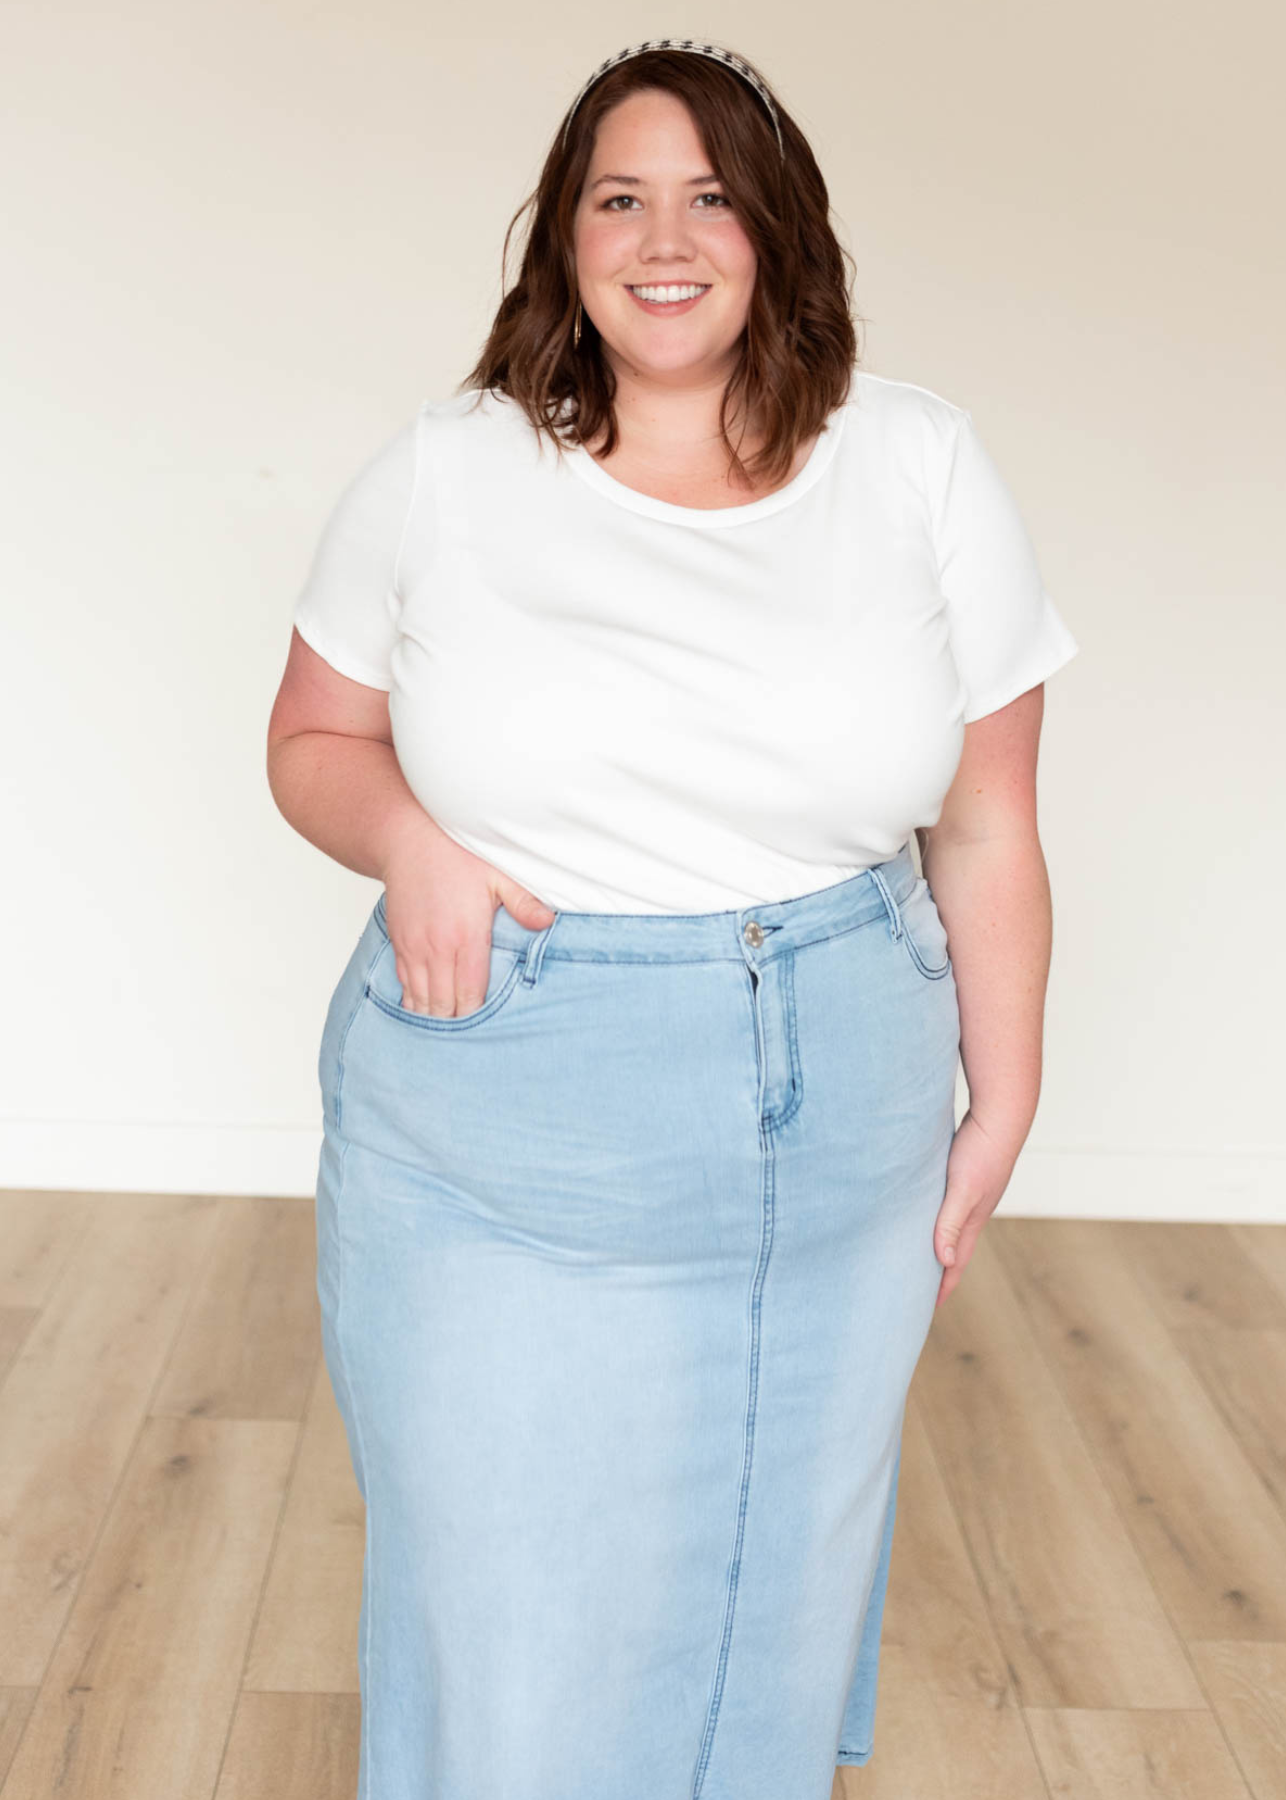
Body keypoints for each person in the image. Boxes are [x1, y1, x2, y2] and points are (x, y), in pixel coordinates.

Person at [267, 38, 1079, 1800]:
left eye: (710, 196)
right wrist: (405, 837)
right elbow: (315, 740)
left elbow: (990, 818)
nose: (664, 237)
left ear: (776, 230)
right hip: (501, 1097)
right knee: (505, 1608)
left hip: (836, 1093)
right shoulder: (447, 469)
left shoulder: (917, 464)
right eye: (617, 197)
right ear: (562, 238)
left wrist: (1001, 1097)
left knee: (755, 1593)